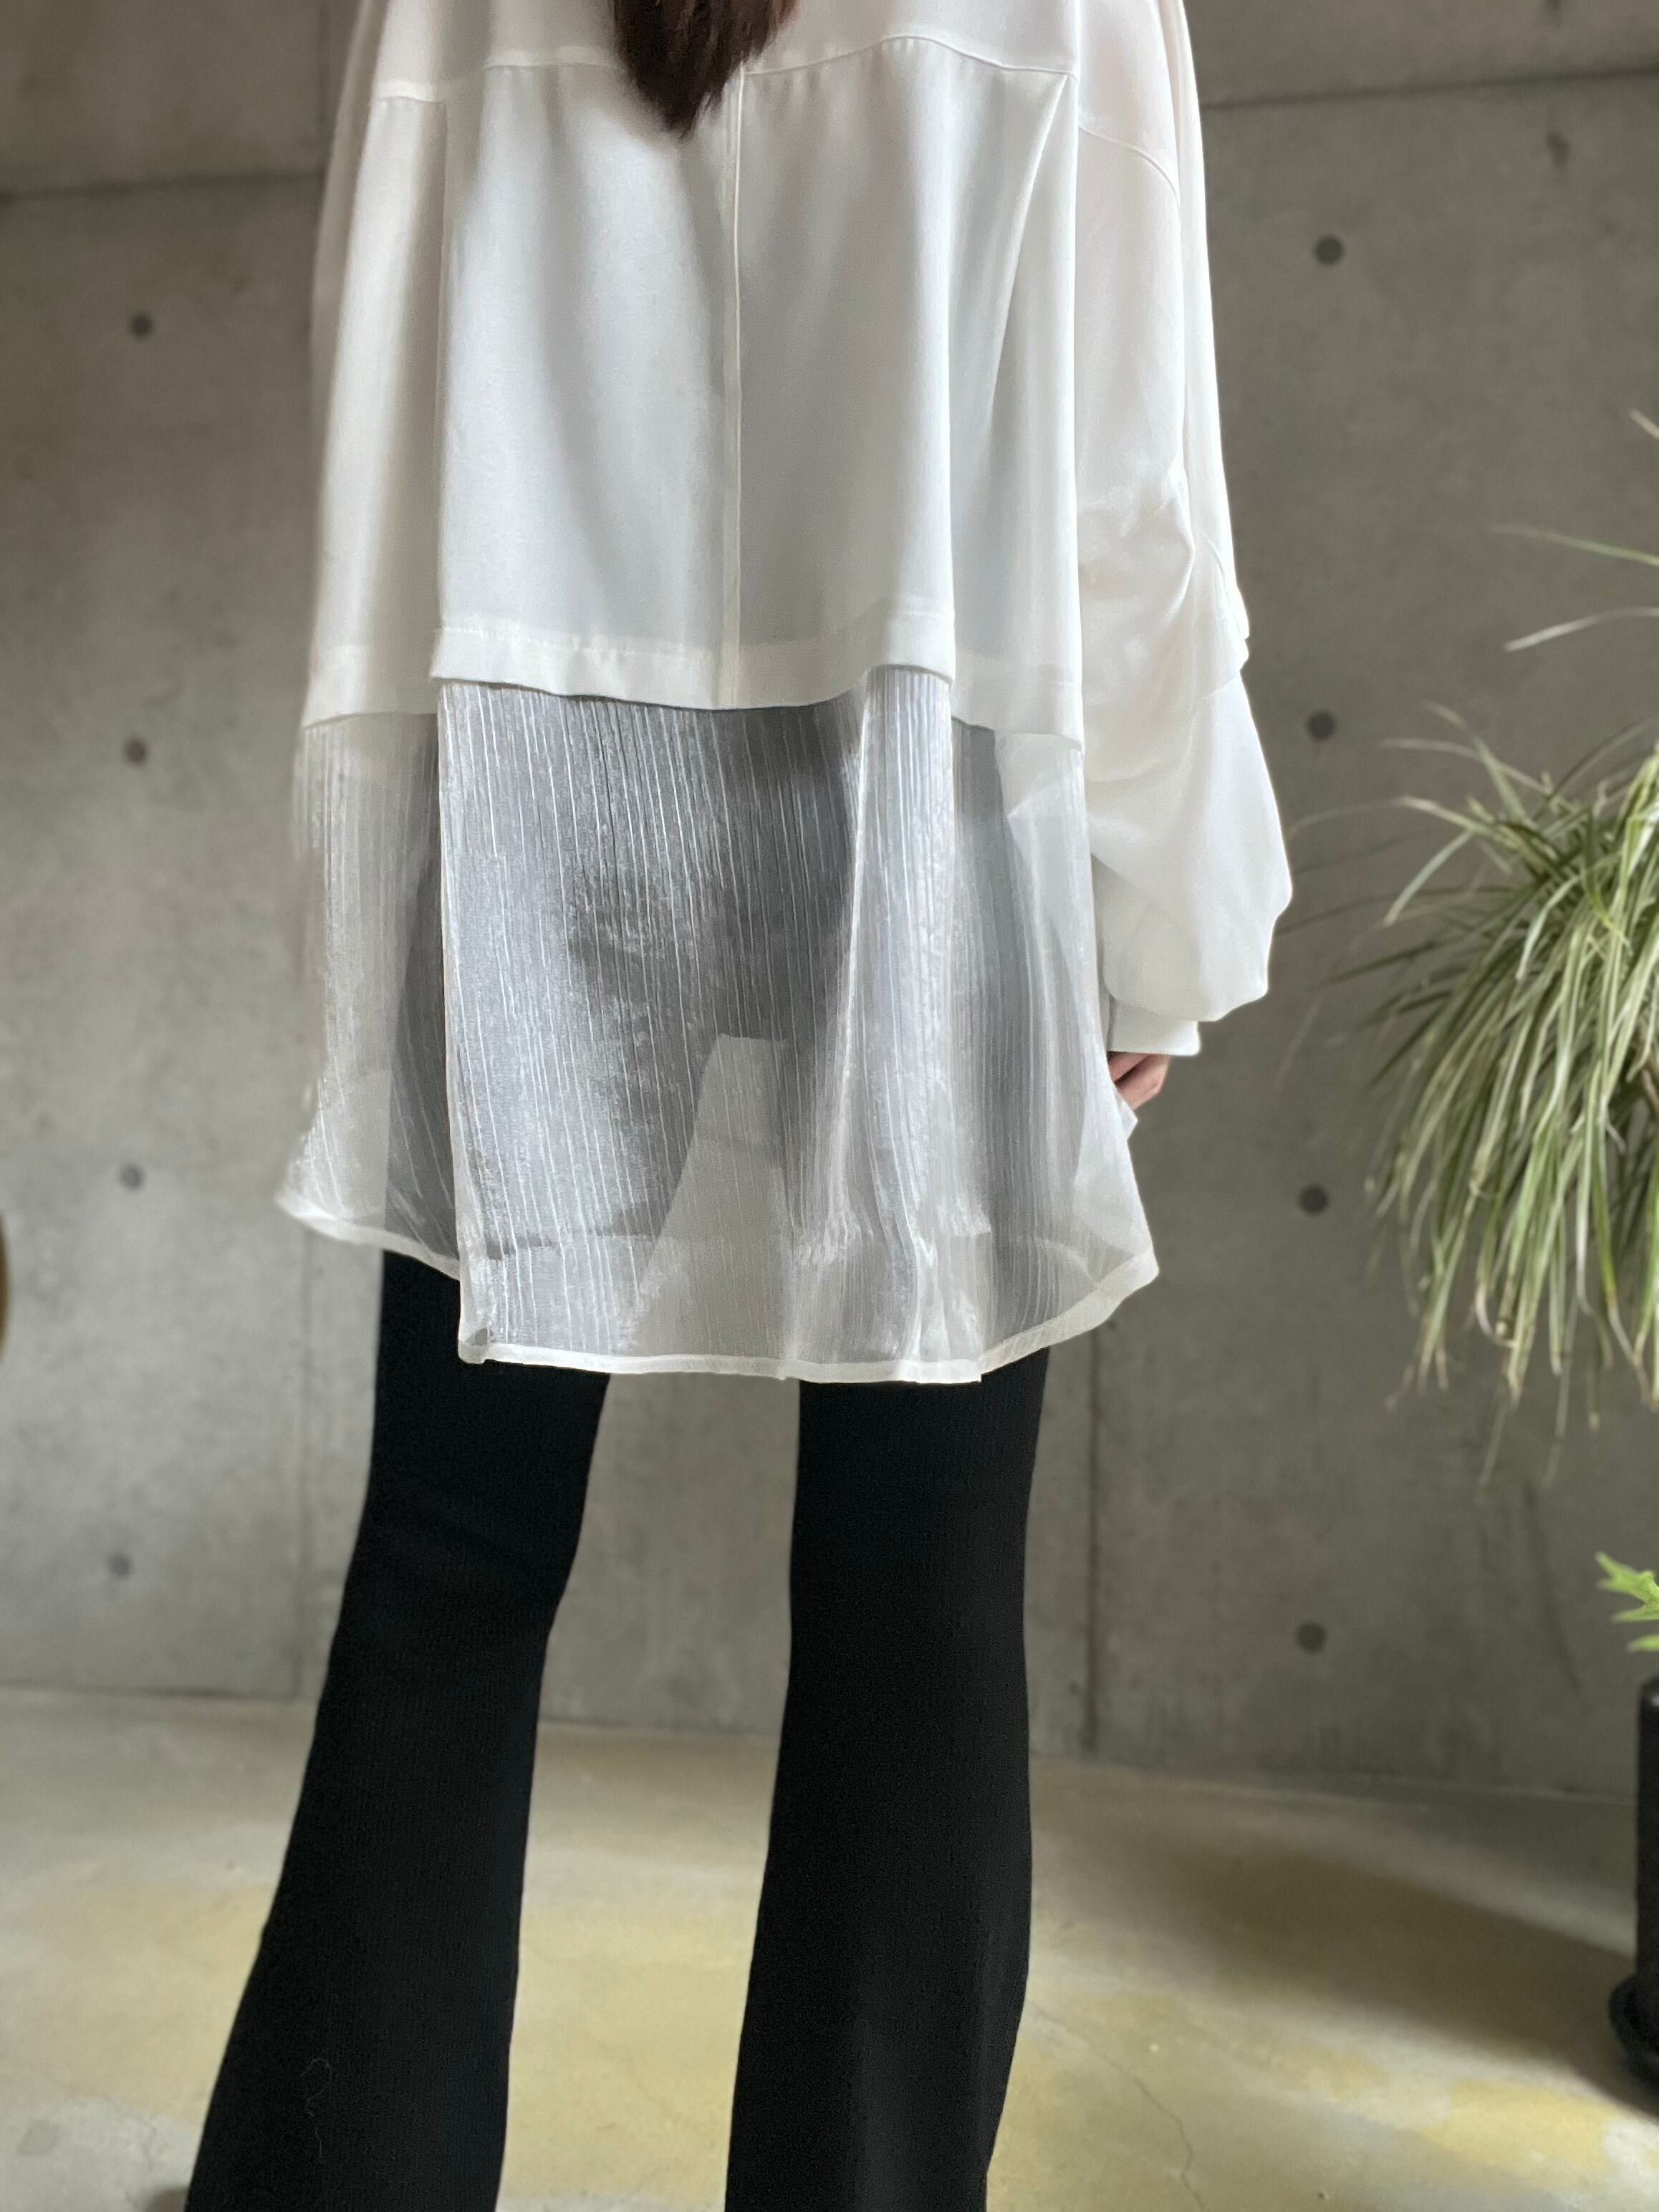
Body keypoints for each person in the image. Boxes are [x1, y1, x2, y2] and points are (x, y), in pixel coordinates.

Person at [183, 0, 1290, 2206]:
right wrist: (1156, 902)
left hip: (539, 761)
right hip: (930, 775)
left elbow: (372, 337)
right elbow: (1129, 456)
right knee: (917, 1591)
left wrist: (406, 813)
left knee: (454, 1558)